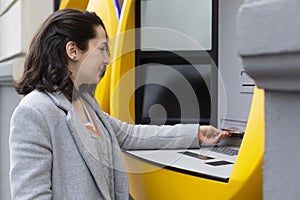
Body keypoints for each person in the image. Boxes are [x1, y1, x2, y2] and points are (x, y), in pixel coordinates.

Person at [9, 8, 230, 200]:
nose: (107, 59)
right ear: (73, 51)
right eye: (102, 48)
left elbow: (127, 134)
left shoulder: (83, 101)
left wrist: (196, 135)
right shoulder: (34, 112)